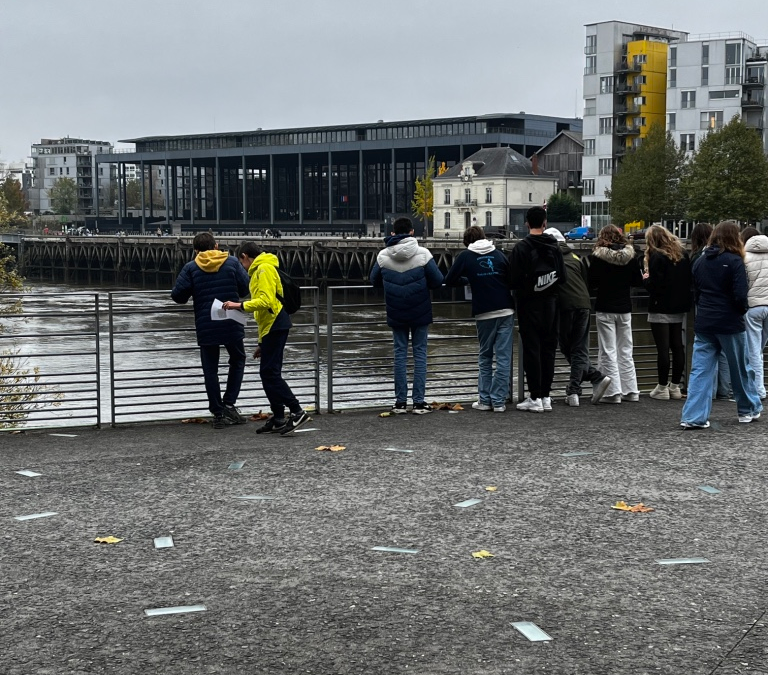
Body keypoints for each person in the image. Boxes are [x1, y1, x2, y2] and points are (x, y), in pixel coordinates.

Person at [222, 242, 310, 434]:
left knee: (270, 373)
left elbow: (266, 302)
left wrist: (238, 306)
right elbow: (265, 312)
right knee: (268, 372)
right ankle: (278, 417)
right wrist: (262, 342)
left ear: (245, 256)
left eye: (241, 261)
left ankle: (297, 411)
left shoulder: (264, 269)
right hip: (273, 325)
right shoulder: (262, 269)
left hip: (276, 324)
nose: (241, 266)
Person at [681, 221, 762, 428]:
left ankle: (693, 417)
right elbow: (740, 295)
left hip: (705, 323)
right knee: (740, 369)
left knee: (700, 370)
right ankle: (747, 409)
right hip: (729, 322)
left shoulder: (699, 262)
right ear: (735, 237)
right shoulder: (734, 261)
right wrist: (740, 311)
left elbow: (697, 293)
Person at [171, 232, 250, 429]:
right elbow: (245, 289)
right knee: (238, 359)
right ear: (216, 246)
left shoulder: (191, 267)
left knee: (210, 369)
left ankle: (218, 413)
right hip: (231, 318)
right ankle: (229, 404)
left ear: (195, 250)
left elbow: (178, 296)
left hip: (207, 323)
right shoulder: (231, 262)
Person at [369, 216, 444, 414]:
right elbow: (437, 281)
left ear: (393, 233)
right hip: (420, 310)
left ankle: (400, 402)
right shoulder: (423, 254)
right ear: (412, 232)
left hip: (396, 309)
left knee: (399, 354)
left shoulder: (383, 255)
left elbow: (373, 280)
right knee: (420, 354)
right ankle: (419, 402)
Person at [444, 225, 514, 412]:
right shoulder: (499, 255)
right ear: (484, 237)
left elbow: (449, 279)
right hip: (506, 310)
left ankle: (484, 400)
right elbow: (511, 279)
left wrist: (469, 280)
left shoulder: (466, 257)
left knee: (485, 356)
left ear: (467, 242)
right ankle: (498, 401)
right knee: (504, 358)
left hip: (484, 312)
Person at [507, 206, 566, 413]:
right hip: (551, 305)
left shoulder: (521, 248)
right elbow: (563, 278)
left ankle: (534, 397)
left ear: (526, 223)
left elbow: (512, 280)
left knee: (532, 350)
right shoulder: (554, 247)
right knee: (549, 350)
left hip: (528, 304)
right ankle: (546, 396)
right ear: (545, 223)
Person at [544, 227, 611, 407]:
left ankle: (577, 389)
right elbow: (585, 280)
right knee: (579, 348)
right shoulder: (575, 258)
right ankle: (591, 379)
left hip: (564, 306)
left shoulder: (550, 258)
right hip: (584, 304)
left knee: (567, 347)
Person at [587, 224, 642, 404]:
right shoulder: (630, 256)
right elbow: (636, 280)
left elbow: (592, 283)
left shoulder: (598, 258)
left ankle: (612, 393)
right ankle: (631, 390)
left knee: (608, 350)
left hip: (605, 307)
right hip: (625, 307)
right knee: (626, 349)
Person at [641, 226, 692, 401]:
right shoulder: (683, 255)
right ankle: (675, 386)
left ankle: (662, 387)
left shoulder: (656, 257)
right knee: (677, 346)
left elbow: (655, 286)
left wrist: (646, 280)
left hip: (660, 306)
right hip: (678, 306)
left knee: (662, 348)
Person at [690, 222, 731, 400]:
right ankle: (725, 389)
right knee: (727, 353)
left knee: (705, 354)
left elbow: (696, 285)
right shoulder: (732, 259)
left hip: (706, 310)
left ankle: (709, 392)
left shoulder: (698, 259)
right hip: (727, 311)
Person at [741, 226, 768, 400]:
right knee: (760, 348)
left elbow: (742, 285)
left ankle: (758, 390)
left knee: (754, 351)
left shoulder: (744, 258)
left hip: (753, 307)